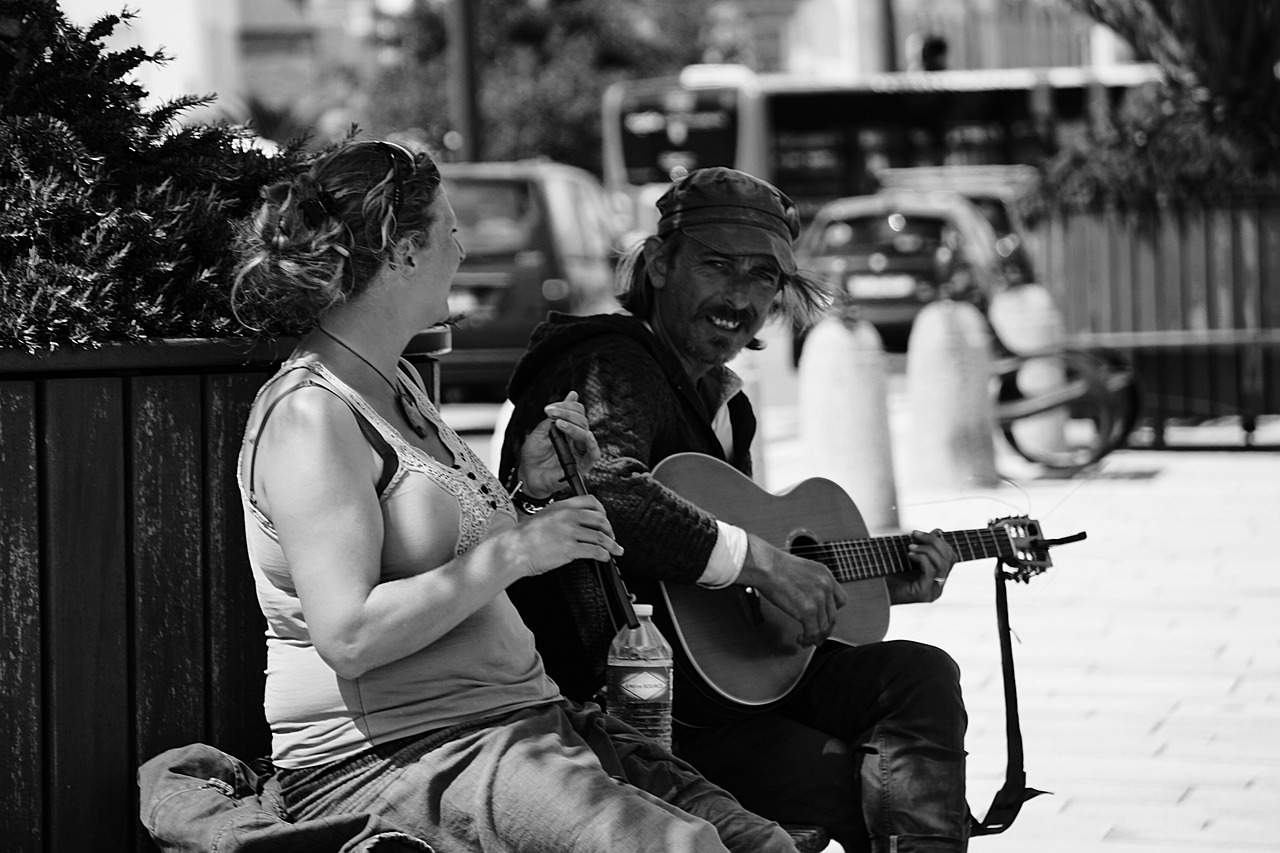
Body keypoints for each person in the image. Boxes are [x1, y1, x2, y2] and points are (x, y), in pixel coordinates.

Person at [229, 141, 801, 853]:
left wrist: (529, 492)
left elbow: (445, 549)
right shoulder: (312, 415)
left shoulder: (398, 383)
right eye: (451, 232)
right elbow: (348, 636)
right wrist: (519, 549)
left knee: (764, 844)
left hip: (518, 724)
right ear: (406, 253)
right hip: (399, 757)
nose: (462, 253)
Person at [498, 167, 969, 853]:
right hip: (641, 712)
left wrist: (871, 581)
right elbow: (608, 486)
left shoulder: (728, 405)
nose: (740, 296)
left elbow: (730, 585)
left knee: (920, 672)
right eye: (719, 266)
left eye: (762, 277)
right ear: (659, 264)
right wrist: (764, 564)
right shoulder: (611, 362)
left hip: (722, 691)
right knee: (877, 786)